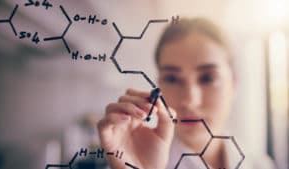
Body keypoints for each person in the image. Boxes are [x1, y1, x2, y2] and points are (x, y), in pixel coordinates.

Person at [97, 18, 276, 169]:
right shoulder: (131, 163)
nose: (189, 100)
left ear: (234, 85)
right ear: (158, 85)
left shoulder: (261, 165)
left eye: (207, 78)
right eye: (172, 79)